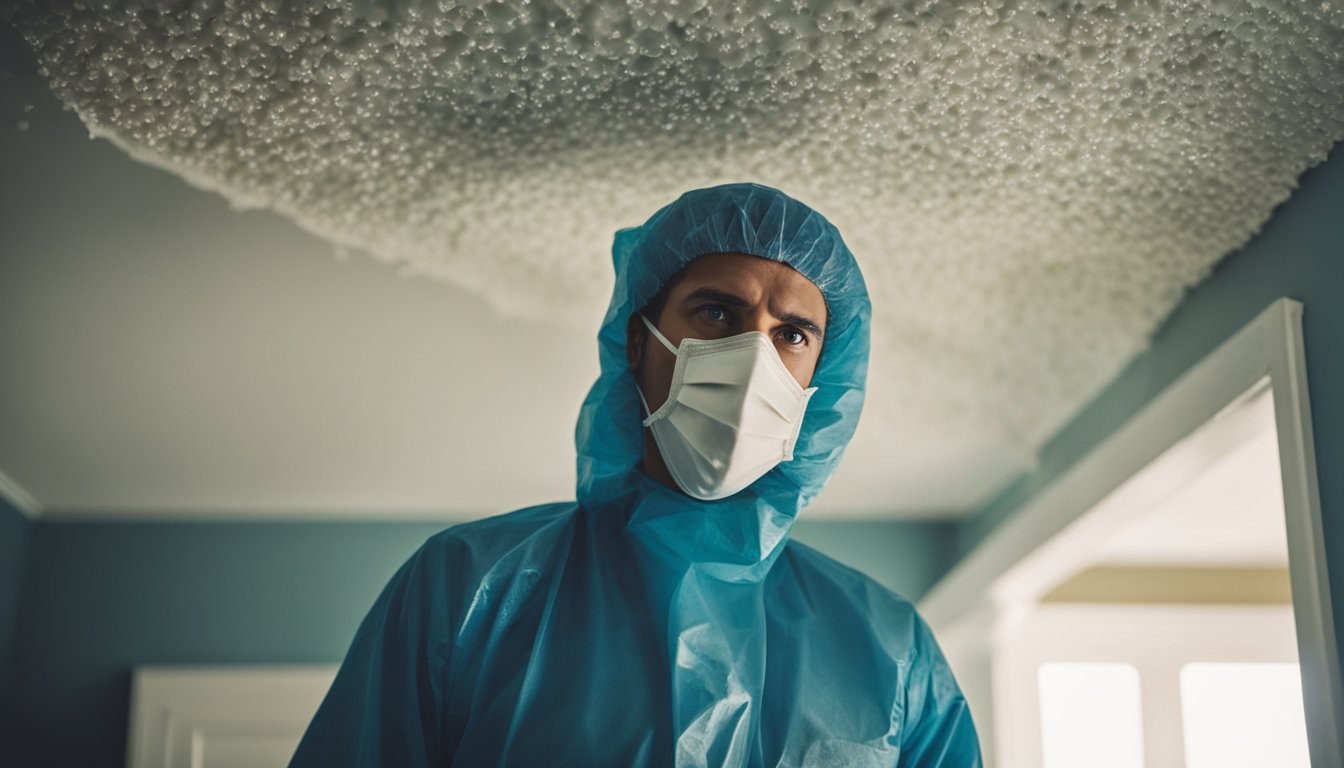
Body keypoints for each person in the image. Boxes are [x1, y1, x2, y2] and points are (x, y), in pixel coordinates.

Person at [290, 183, 981, 767]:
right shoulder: (471, 588)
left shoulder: (891, 650)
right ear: (637, 339)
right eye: (718, 313)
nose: (752, 359)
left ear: (820, 379)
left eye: (791, 334)